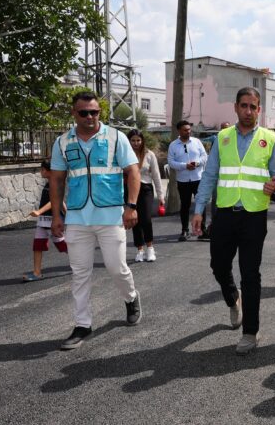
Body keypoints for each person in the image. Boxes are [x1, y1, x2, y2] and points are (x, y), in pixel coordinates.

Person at [191, 87, 275, 354]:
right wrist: (199, 210)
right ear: (235, 107)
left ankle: (250, 332)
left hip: (255, 215)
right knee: (218, 265)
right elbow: (209, 175)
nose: (248, 111)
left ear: (259, 110)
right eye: (244, 106)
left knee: (250, 274)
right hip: (225, 213)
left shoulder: (270, 138)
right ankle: (233, 298)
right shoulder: (222, 138)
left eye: (253, 107)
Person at [49, 91, 142, 350]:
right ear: (74, 113)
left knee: (116, 268)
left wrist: (131, 206)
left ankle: (131, 297)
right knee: (80, 274)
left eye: (94, 112)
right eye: (84, 113)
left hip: (111, 216)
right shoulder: (63, 142)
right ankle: (82, 324)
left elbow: (132, 172)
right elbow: (56, 180)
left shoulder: (116, 137)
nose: (90, 117)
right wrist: (56, 215)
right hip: (78, 218)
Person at [23, 159, 68, 282]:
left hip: (53, 221)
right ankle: (37, 273)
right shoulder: (49, 183)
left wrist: (39, 211)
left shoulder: (56, 183)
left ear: (49, 171)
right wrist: (67, 213)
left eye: (42, 169)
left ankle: (82, 263)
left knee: (63, 246)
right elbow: (61, 201)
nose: (40, 172)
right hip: (43, 222)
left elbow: (54, 201)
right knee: (37, 246)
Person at [167, 119, 208, 241]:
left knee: (201, 204)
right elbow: (171, 162)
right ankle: (185, 230)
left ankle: (202, 229)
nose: (188, 132)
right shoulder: (173, 145)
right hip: (183, 180)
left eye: (189, 129)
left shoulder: (196, 142)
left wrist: (197, 163)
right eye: (185, 130)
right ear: (179, 131)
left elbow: (204, 156)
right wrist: (185, 165)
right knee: (185, 205)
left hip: (198, 178)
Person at [127, 130, 164, 263]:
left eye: (138, 140)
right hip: (130, 190)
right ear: (128, 141)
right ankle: (140, 250)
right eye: (133, 140)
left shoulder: (149, 154)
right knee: (135, 220)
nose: (136, 143)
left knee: (146, 219)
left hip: (146, 189)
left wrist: (161, 195)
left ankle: (150, 248)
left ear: (142, 141)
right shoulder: (124, 154)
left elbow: (156, 175)